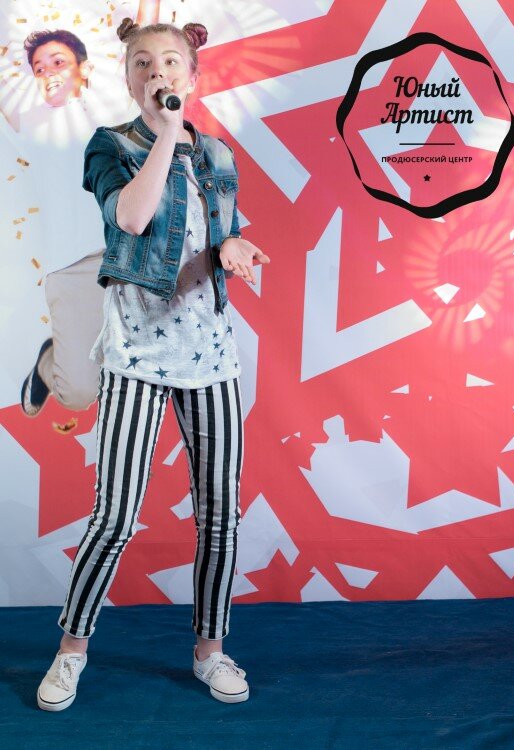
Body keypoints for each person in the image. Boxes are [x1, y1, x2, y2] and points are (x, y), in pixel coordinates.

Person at [36, 16, 270, 710]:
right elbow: (133, 219)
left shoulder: (219, 154)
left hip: (212, 358)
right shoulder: (110, 146)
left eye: (170, 61)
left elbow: (219, 232)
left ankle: (210, 651)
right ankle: (71, 652)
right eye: (142, 62)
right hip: (137, 354)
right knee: (114, 517)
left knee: (220, 515)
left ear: (192, 76)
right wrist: (167, 134)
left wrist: (235, 248)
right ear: (128, 77)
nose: (157, 71)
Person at [16, 29, 136, 417]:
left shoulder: (115, 108)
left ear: (83, 68)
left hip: (132, 256)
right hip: (73, 267)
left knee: (145, 375)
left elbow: (143, 42)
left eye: (58, 62)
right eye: (39, 68)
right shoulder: (29, 124)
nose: (48, 72)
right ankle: (48, 363)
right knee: (80, 394)